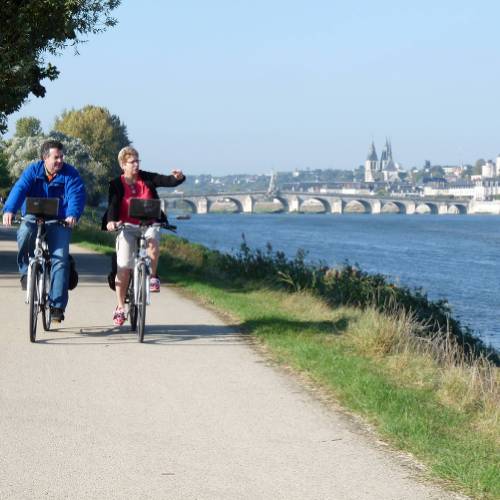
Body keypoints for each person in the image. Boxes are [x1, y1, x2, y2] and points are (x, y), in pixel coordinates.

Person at [2, 140, 86, 322]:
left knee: (60, 259)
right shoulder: (33, 170)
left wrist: (72, 214)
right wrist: (10, 209)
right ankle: (26, 272)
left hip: (60, 219)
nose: (60, 161)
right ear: (45, 158)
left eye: (62, 157)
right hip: (33, 215)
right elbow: (20, 188)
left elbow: (76, 195)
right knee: (24, 233)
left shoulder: (70, 174)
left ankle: (57, 306)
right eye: (56, 157)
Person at [102, 146, 185, 326]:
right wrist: (111, 222)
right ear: (123, 164)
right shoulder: (116, 183)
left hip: (148, 224)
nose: (136, 165)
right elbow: (113, 205)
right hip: (127, 226)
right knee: (123, 267)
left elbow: (166, 180)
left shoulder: (146, 178)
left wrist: (178, 178)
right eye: (132, 162)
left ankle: (153, 277)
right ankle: (120, 307)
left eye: (138, 161)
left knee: (154, 238)